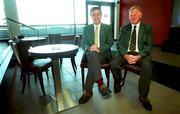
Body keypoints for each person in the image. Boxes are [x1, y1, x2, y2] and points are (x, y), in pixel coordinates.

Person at [110, 5, 153, 111]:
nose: (132, 17)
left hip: (141, 54)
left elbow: (149, 45)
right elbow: (119, 44)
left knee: (147, 67)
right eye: (130, 15)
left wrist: (138, 56)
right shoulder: (124, 28)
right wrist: (125, 55)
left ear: (140, 15)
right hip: (126, 53)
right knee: (113, 63)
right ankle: (118, 81)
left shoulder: (147, 28)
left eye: (134, 14)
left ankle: (143, 97)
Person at [79, 7, 113, 104]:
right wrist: (89, 48)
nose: (96, 16)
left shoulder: (108, 27)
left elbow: (110, 43)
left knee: (92, 62)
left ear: (101, 15)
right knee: (92, 55)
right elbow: (83, 43)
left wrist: (99, 49)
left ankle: (88, 91)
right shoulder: (86, 28)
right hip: (91, 53)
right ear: (91, 16)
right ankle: (100, 83)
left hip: (103, 54)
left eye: (98, 14)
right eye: (93, 14)